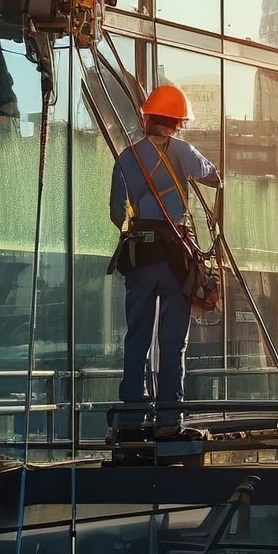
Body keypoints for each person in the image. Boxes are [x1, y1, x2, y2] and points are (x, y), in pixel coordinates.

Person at [109, 83, 220, 435]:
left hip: (140, 254)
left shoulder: (127, 157)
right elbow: (215, 177)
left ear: (147, 118)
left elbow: (116, 213)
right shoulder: (183, 151)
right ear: (178, 122)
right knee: (172, 342)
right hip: (175, 258)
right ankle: (171, 418)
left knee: (137, 337)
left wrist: (137, 218)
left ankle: (132, 416)